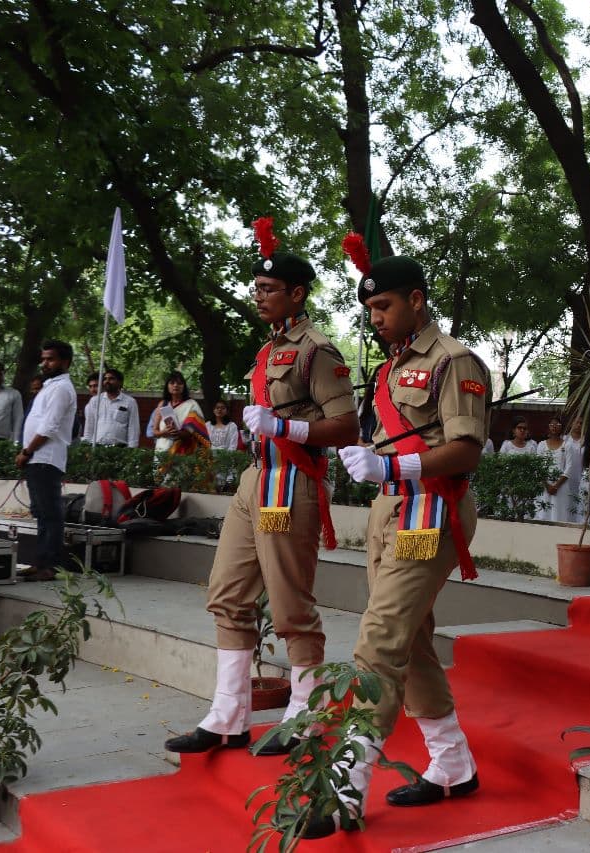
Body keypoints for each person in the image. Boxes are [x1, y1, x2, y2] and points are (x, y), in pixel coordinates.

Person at [165, 219, 358, 758]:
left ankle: (306, 713)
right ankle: (228, 715)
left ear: (298, 294)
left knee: (291, 604)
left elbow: (346, 426)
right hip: (256, 479)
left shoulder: (317, 350)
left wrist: (287, 428)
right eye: (257, 288)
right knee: (227, 595)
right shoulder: (268, 349)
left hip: (292, 479)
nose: (261, 296)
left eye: (271, 289)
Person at [325, 251, 490, 840]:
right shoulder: (390, 367)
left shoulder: (455, 360)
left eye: (385, 305)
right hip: (391, 511)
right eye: (369, 308)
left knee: (379, 642)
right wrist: (372, 466)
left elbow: (467, 449)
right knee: (409, 637)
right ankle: (453, 762)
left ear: (416, 300)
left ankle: (344, 786)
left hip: (432, 513)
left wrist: (389, 466)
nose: (376, 317)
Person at [15, 341, 77, 582]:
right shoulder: (50, 386)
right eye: (43, 359)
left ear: (65, 361)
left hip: (45, 458)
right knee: (41, 512)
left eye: (50, 359)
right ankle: (40, 561)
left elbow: (49, 426)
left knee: (50, 513)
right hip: (37, 458)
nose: (45, 363)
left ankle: (49, 566)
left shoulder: (61, 389)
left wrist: (27, 451)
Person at [151, 371, 209, 454]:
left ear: (184, 386)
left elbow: (195, 432)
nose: (175, 385)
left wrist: (177, 433)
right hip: (162, 450)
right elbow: (154, 432)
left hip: (183, 452)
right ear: (167, 386)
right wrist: (164, 432)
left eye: (179, 383)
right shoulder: (162, 404)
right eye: (172, 383)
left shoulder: (192, 405)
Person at [82, 368, 139, 447]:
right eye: (105, 379)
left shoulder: (130, 402)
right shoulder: (95, 401)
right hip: (97, 447)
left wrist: (132, 449)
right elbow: (89, 427)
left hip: (120, 449)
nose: (107, 381)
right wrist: (86, 446)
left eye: (111, 378)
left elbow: (133, 428)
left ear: (120, 382)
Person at [536, 416, 572, 522]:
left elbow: (569, 467)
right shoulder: (541, 445)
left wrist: (556, 486)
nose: (554, 427)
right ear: (548, 427)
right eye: (552, 424)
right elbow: (538, 466)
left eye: (557, 424)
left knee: (559, 514)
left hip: (561, 487)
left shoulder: (567, 445)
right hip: (544, 486)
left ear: (562, 428)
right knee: (543, 514)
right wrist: (547, 486)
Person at [0, 359, 24, 444]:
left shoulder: (13, 394)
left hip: (1, 441)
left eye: (0, 374)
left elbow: (18, 419)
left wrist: (15, 443)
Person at [74, 373, 98, 441]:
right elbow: (89, 428)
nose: (93, 389)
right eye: (90, 386)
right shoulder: (89, 406)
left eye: (95, 386)